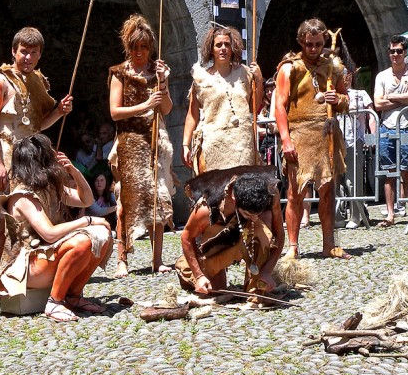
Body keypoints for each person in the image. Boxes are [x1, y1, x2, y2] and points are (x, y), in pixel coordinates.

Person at [0, 27, 72, 276]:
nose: (27, 58)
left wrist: (58, 112)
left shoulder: (37, 82)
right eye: (23, 52)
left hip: (31, 160)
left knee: (29, 222)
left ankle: (22, 274)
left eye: (33, 53)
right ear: (13, 51)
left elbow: (36, 125)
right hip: (7, 158)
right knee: (4, 222)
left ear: (40, 55)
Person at [0, 134, 112, 322]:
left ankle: (73, 296)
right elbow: (49, 234)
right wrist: (87, 221)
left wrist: (74, 172)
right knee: (84, 240)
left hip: (43, 259)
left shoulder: (50, 188)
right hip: (24, 268)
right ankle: (55, 301)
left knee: (103, 235)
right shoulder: (22, 196)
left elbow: (86, 200)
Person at [272, 18, 350, 259]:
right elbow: (280, 106)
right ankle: (293, 247)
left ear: (324, 41)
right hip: (300, 134)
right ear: (301, 42)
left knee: (327, 191)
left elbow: (346, 100)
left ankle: (329, 244)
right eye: (309, 45)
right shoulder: (290, 68)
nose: (313, 49)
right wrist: (286, 139)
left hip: (326, 133)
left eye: (318, 44)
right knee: (295, 193)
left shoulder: (333, 67)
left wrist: (337, 100)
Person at [108, 14, 174, 277]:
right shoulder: (119, 73)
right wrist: (145, 106)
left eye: (143, 47)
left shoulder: (156, 74)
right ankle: (122, 258)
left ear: (150, 48)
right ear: (128, 46)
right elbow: (114, 112)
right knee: (127, 200)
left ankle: (156, 260)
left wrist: (164, 83)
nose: (139, 52)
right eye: (134, 47)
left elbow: (166, 109)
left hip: (154, 140)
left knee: (158, 198)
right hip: (130, 142)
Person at [176, 167, 284, 298]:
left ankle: (256, 279)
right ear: (234, 199)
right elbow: (186, 236)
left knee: (266, 220)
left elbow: (279, 234)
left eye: (257, 214)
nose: (255, 218)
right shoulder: (207, 207)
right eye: (248, 214)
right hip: (218, 239)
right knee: (214, 290)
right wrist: (199, 276)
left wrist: (267, 271)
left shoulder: (271, 194)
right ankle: (185, 267)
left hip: (247, 234)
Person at [182, 24, 263, 175]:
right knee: (216, 193)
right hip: (214, 144)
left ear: (233, 48)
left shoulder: (246, 73)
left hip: (241, 143)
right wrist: (186, 145)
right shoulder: (201, 79)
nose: (223, 48)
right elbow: (192, 115)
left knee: (241, 191)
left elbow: (254, 107)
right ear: (211, 49)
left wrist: (258, 80)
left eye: (227, 44)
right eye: (218, 45)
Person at [373, 36, 408, 227]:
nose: (395, 55)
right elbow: (378, 103)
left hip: (406, 126)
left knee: (406, 171)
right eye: (392, 51)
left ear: (405, 52)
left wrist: (392, 96)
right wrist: (404, 98)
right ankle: (390, 214)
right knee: (389, 172)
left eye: (399, 51)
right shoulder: (382, 76)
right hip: (387, 127)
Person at [337, 68, 376, 229]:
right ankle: (337, 216)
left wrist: (372, 138)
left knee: (353, 180)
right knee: (335, 181)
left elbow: (371, 115)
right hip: (335, 140)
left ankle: (356, 215)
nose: (343, 79)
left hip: (354, 139)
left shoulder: (360, 94)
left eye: (345, 76)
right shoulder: (331, 94)